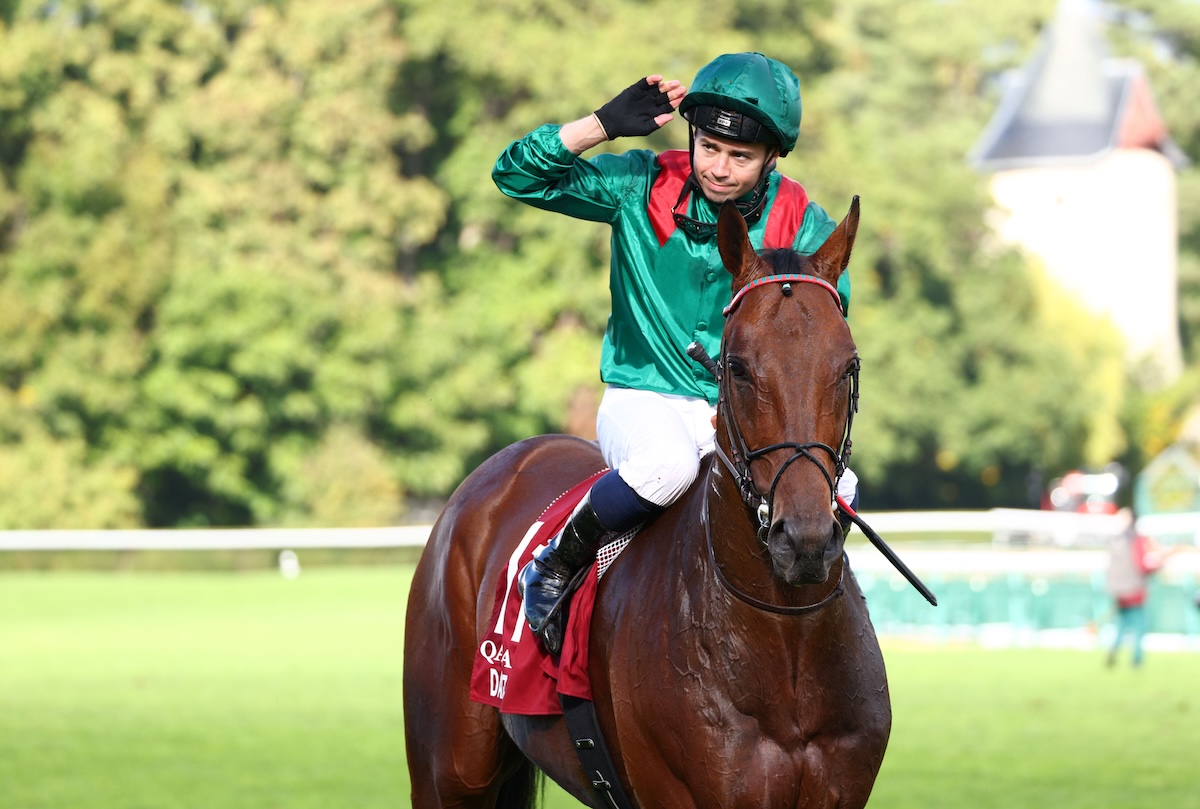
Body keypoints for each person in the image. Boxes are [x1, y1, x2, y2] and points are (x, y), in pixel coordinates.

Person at [492, 52, 858, 655]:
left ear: (773, 158)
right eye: (708, 147)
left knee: (839, 483)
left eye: (740, 157)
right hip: (644, 397)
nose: (718, 168)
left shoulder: (806, 224)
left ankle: (816, 625)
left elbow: (823, 332)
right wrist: (599, 126)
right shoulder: (637, 184)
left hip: (743, 410)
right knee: (668, 467)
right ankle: (556, 563)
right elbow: (515, 175)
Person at [1105, 508, 1170, 668]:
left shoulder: (1115, 540)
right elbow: (1144, 565)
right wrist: (1159, 565)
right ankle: (1137, 660)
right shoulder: (1138, 540)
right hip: (1135, 591)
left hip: (1119, 592)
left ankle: (1114, 650)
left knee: (1122, 625)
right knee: (1139, 628)